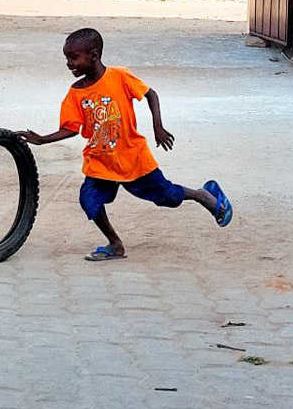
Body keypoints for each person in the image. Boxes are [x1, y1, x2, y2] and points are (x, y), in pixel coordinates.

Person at [18, 28, 231, 262]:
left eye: (73, 57)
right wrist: (42, 139)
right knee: (89, 200)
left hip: (133, 158)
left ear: (94, 55)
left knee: (167, 196)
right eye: (67, 58)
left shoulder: (119, 76)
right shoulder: (75, 93)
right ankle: (115, 244)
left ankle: (201, 195)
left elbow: (151, 95)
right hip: (101, 163)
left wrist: (157, 126)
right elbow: (70, 128)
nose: (69, 64)